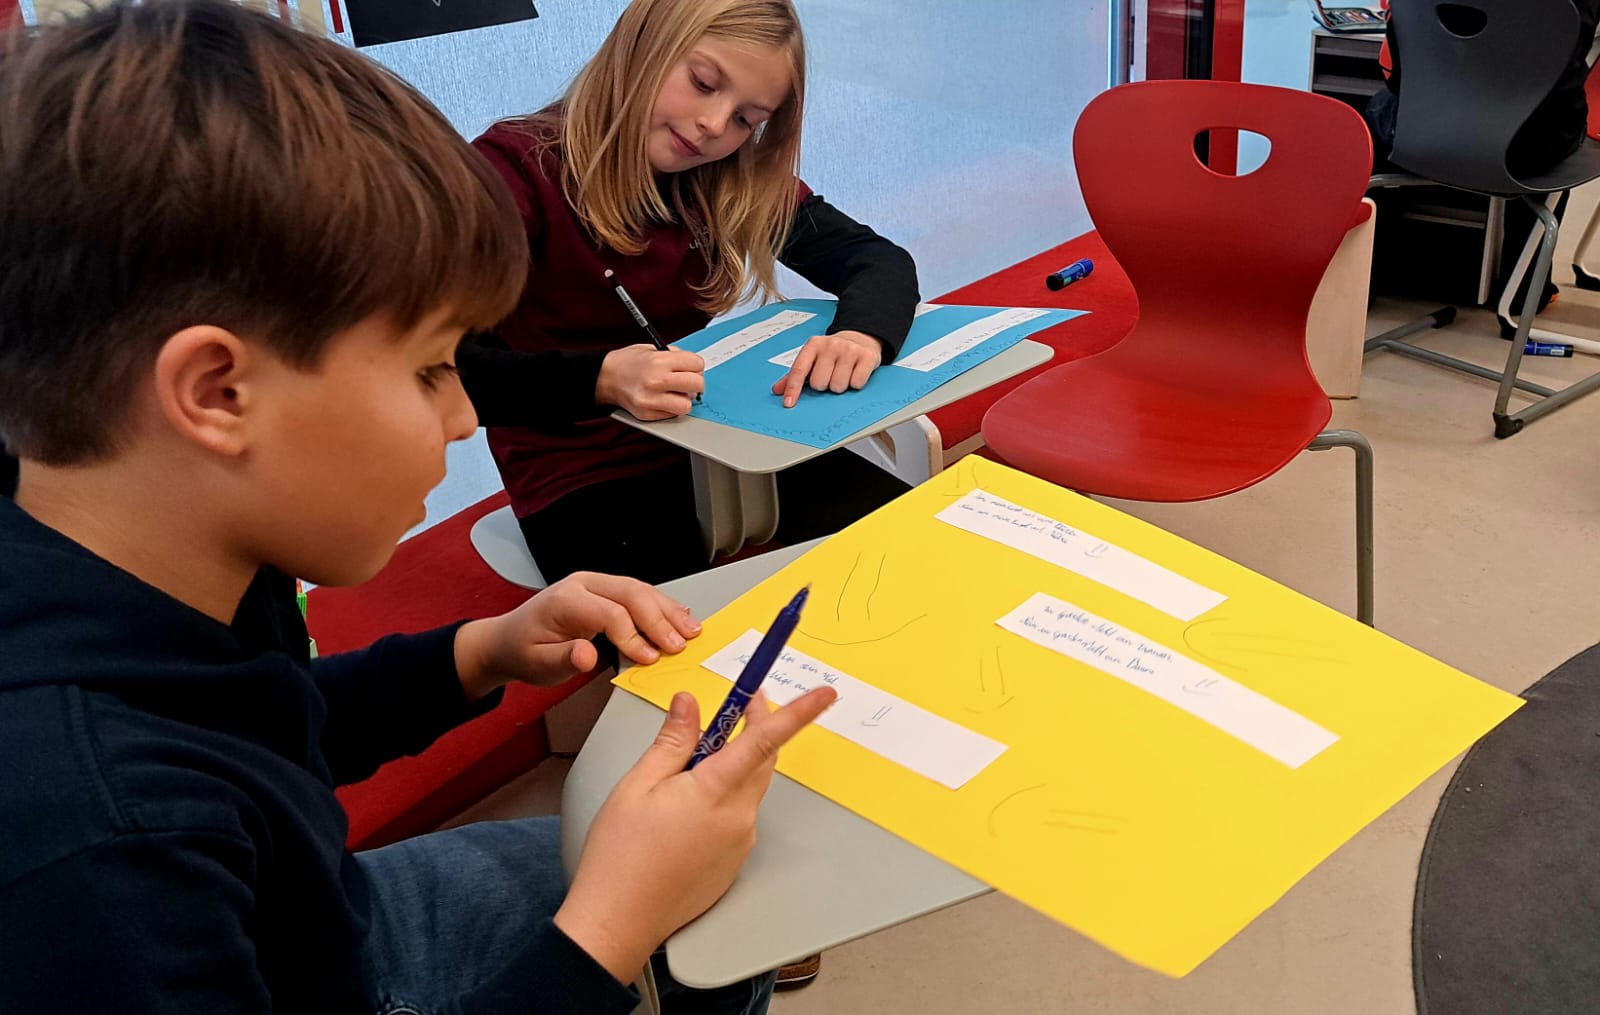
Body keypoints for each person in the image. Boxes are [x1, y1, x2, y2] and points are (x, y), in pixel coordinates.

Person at [0, 3, 835, 1013]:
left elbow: (264, 729)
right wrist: (607, 929)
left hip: (309, 921)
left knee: (711, 885)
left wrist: (482, 651)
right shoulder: (99, 842)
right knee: (674, 896)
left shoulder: (166, 555)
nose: (461, 417)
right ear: (217, 392)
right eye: (433, 368)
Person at [462, 0, 922, 587]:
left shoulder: (729, 176)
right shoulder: (512, 174)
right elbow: (443, 373)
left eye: (746, 120)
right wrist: (600, 380)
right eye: (703, 83)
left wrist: (861, 333)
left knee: (910, 555)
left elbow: (876, 260)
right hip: (579, 469)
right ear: (641, 46)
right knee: (679, 634)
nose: (714, 126)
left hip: (722, 434)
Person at [1364, 0, 1600, 310]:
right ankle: (1524, 291)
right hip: (1534, 146)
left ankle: (1364, 279)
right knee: (1549, 126)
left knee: (1376, 116)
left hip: (1425, 131)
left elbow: (1397, 76)